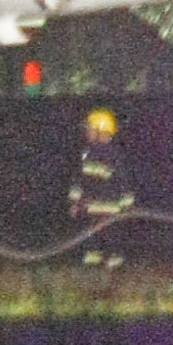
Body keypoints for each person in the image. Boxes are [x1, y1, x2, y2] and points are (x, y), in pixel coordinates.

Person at [68, 108, 135, 267]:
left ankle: (110, 275)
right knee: (95, 243)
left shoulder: (112, 156)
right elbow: (80, 180)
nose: (87, 133)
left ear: (101, 131)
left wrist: (127, 207)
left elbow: (124, 183)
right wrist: (75, 202)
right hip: (95, 209)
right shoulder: (89, 153)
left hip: (107, 210)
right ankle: (96, 276)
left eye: (90, 130)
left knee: (108, 242)